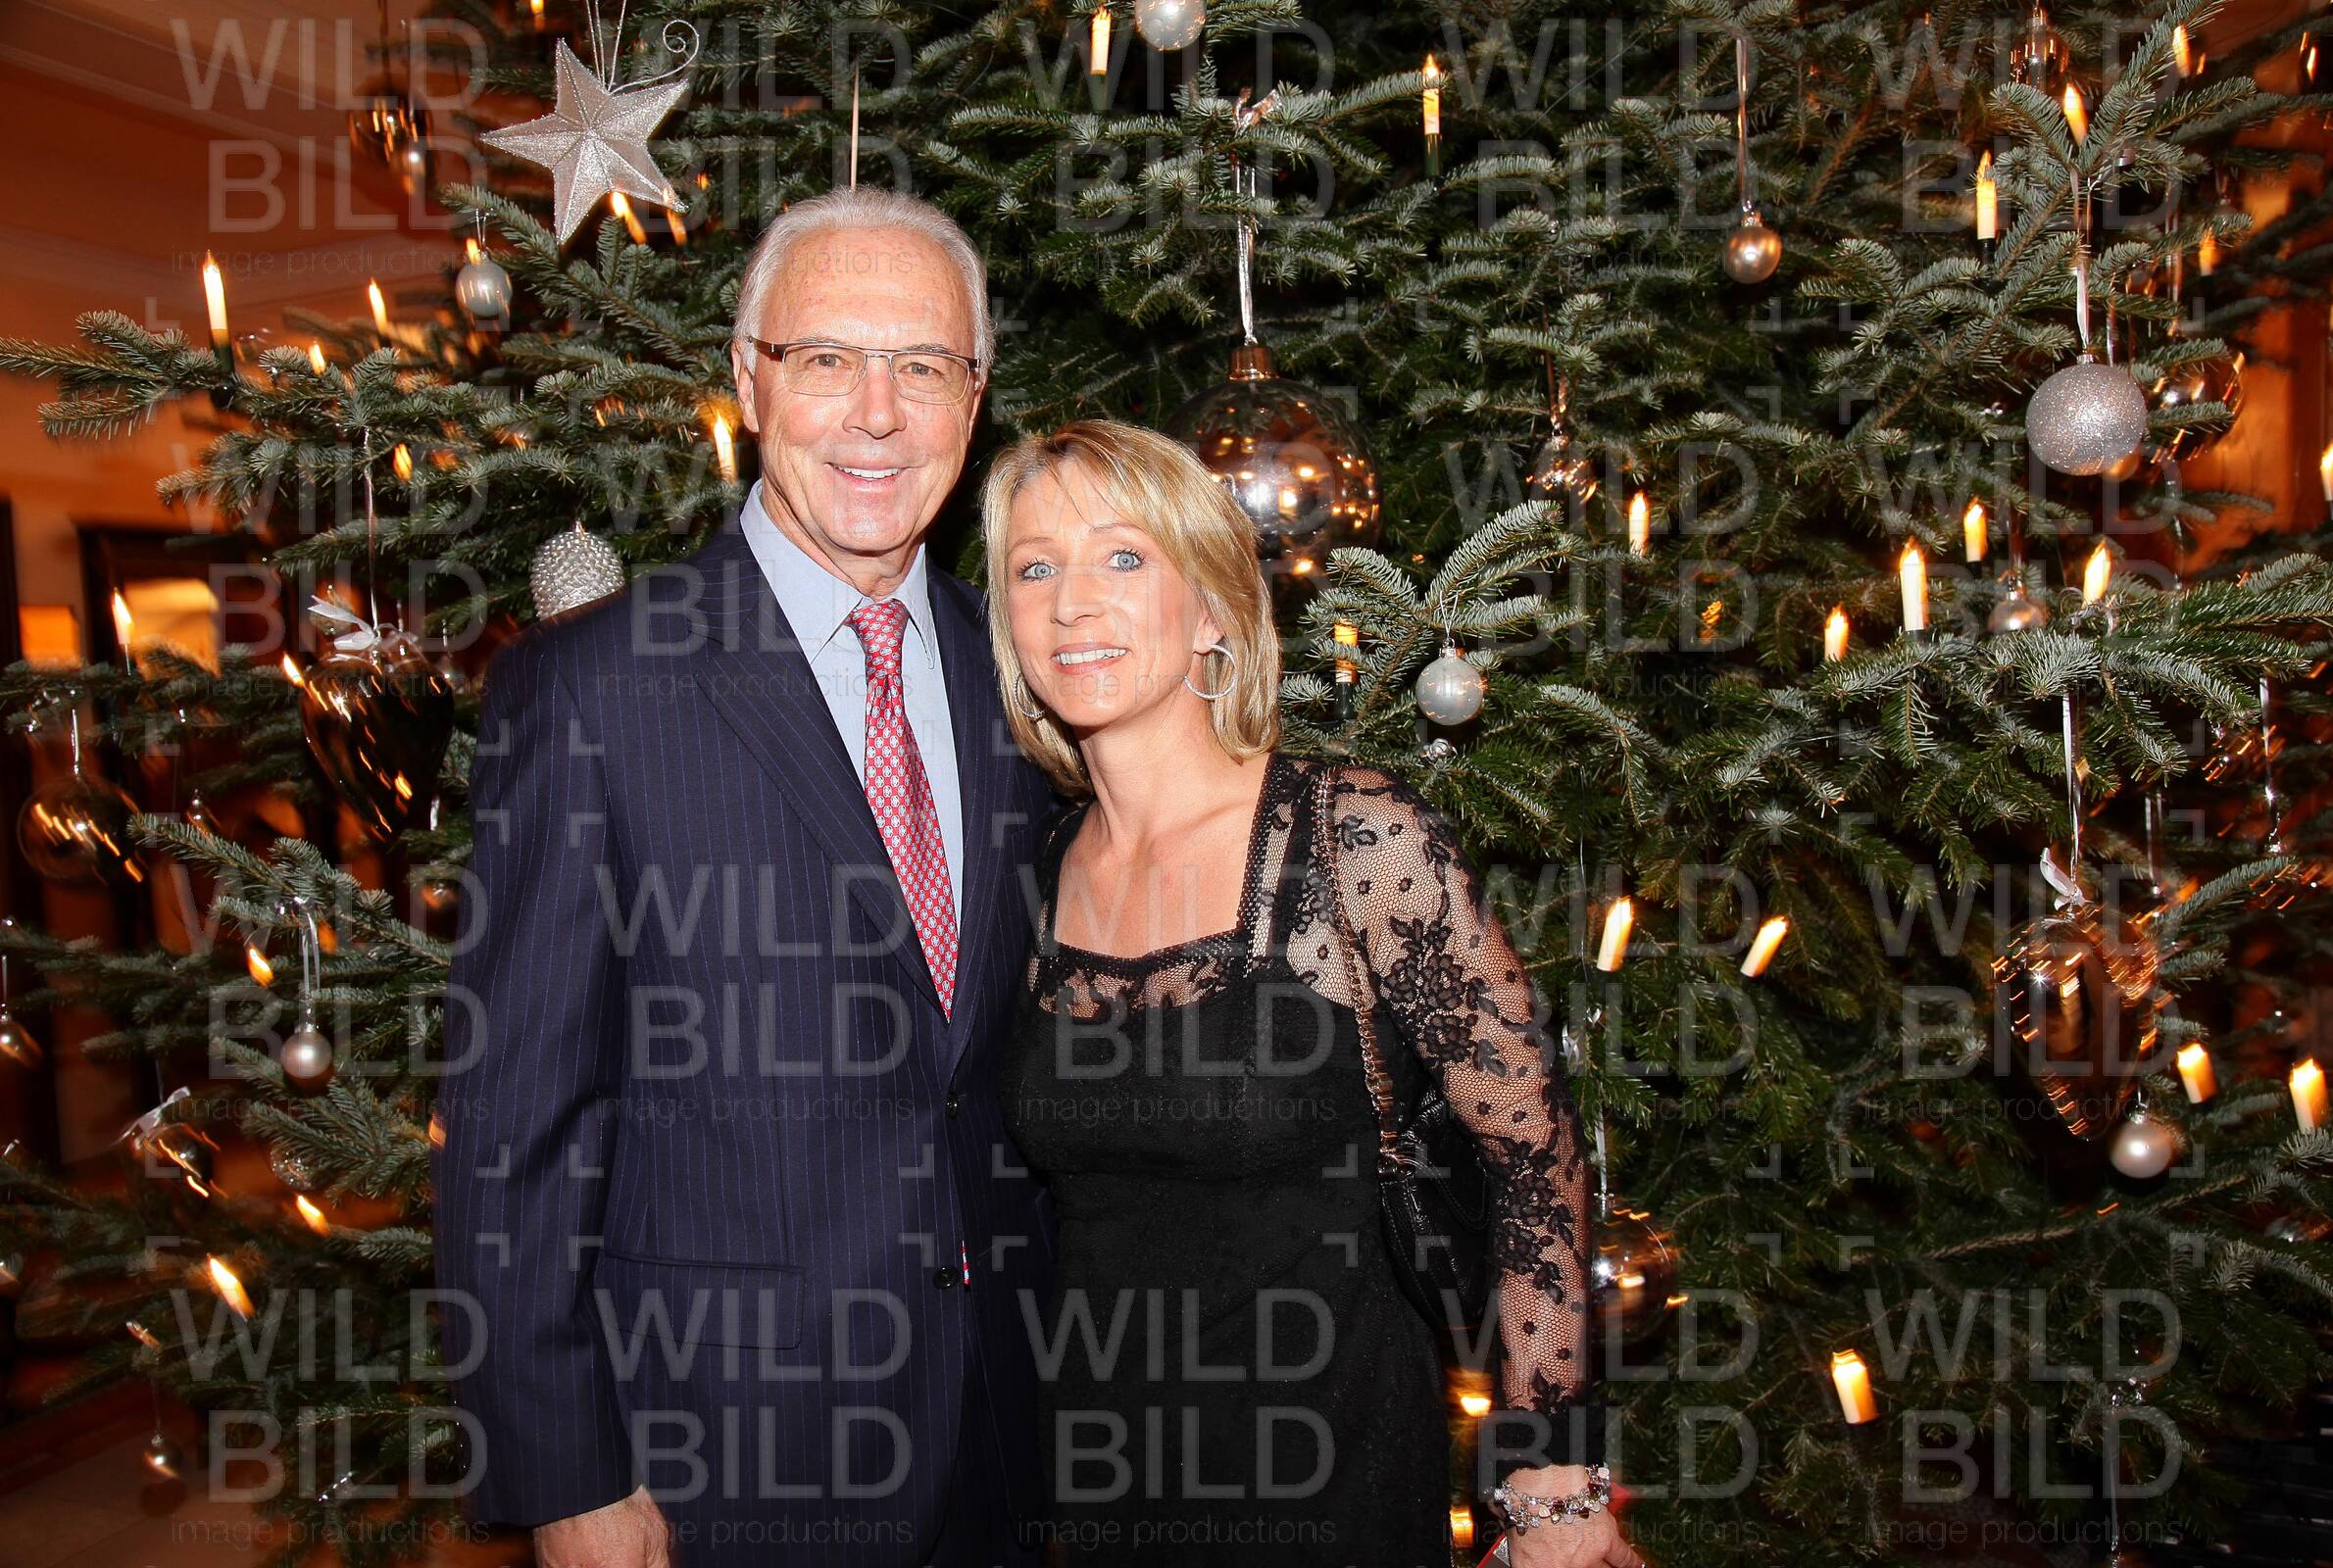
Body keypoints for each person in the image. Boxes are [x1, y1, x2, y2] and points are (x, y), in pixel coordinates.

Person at [433, 187, 1057, 1568]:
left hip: (1002, 1433)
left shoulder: (1021, 673)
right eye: (826, 357)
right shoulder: (591, 690)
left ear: (975, 399)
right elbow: (510, 1128)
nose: (877, 415)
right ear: (749, 378)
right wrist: (566, 1478)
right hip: (720, 1454)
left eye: (925, 366)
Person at [979, 419, 1644, 1567]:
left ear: (1212, 610)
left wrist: (1548, 1472)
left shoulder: (1352, 837)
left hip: (1330, 1474)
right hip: (1097, 1479)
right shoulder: (1037, 867)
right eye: (1035, 568)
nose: (1072, 603)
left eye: (1122, 556)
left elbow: (1534, 1152)